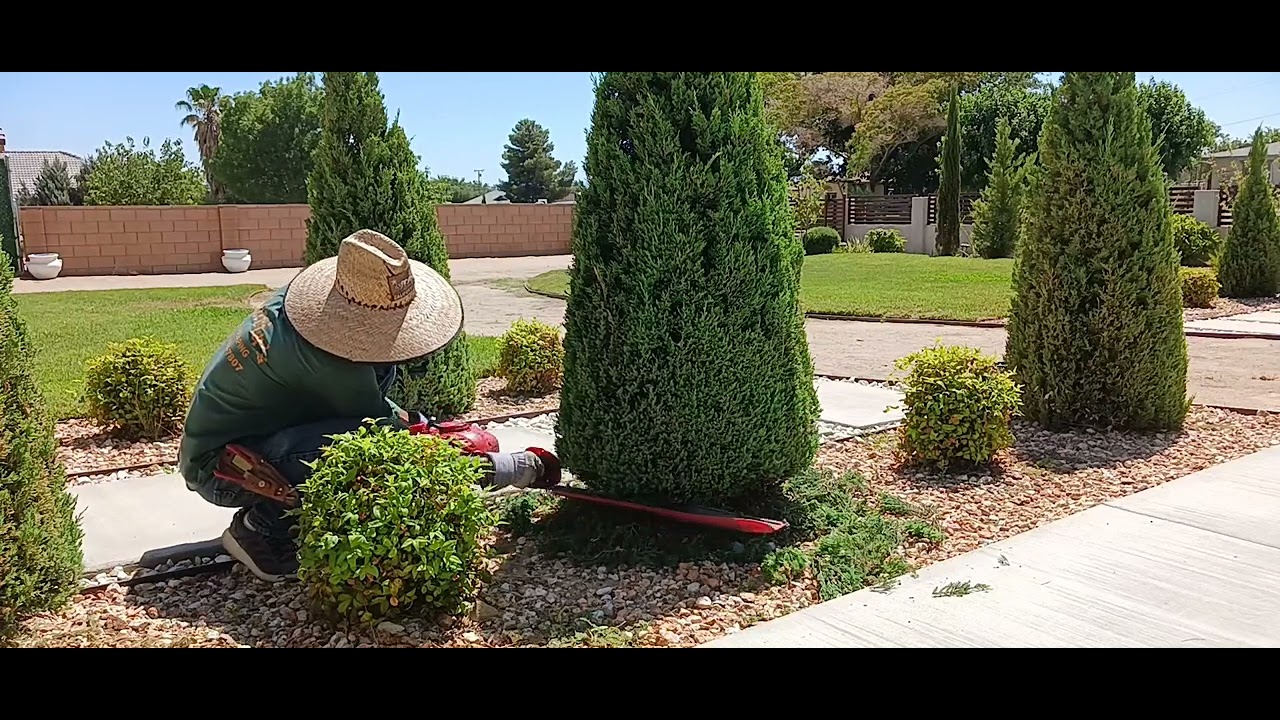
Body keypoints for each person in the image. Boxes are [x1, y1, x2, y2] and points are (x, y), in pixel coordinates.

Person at [178, 229, 557, 583]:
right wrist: (494, 466)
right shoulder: (328, 362)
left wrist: (422, 422)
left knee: (384, 396)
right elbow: (383, 441)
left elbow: (379, 408)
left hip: (252, 435)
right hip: (226, 468)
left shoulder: (297, 306)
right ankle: (261, 528)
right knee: (367, 450)